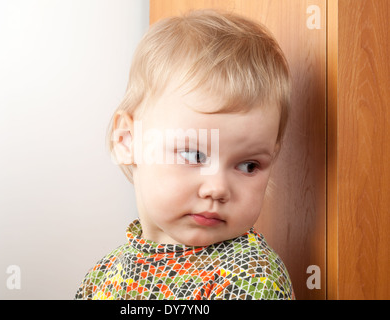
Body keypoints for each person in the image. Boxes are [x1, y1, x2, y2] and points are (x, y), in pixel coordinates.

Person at [75, 9, 294, 300]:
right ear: (128, 140)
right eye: (194, 155)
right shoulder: (102, 276)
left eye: (248, 165)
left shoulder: (251, 277)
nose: (217, 188)